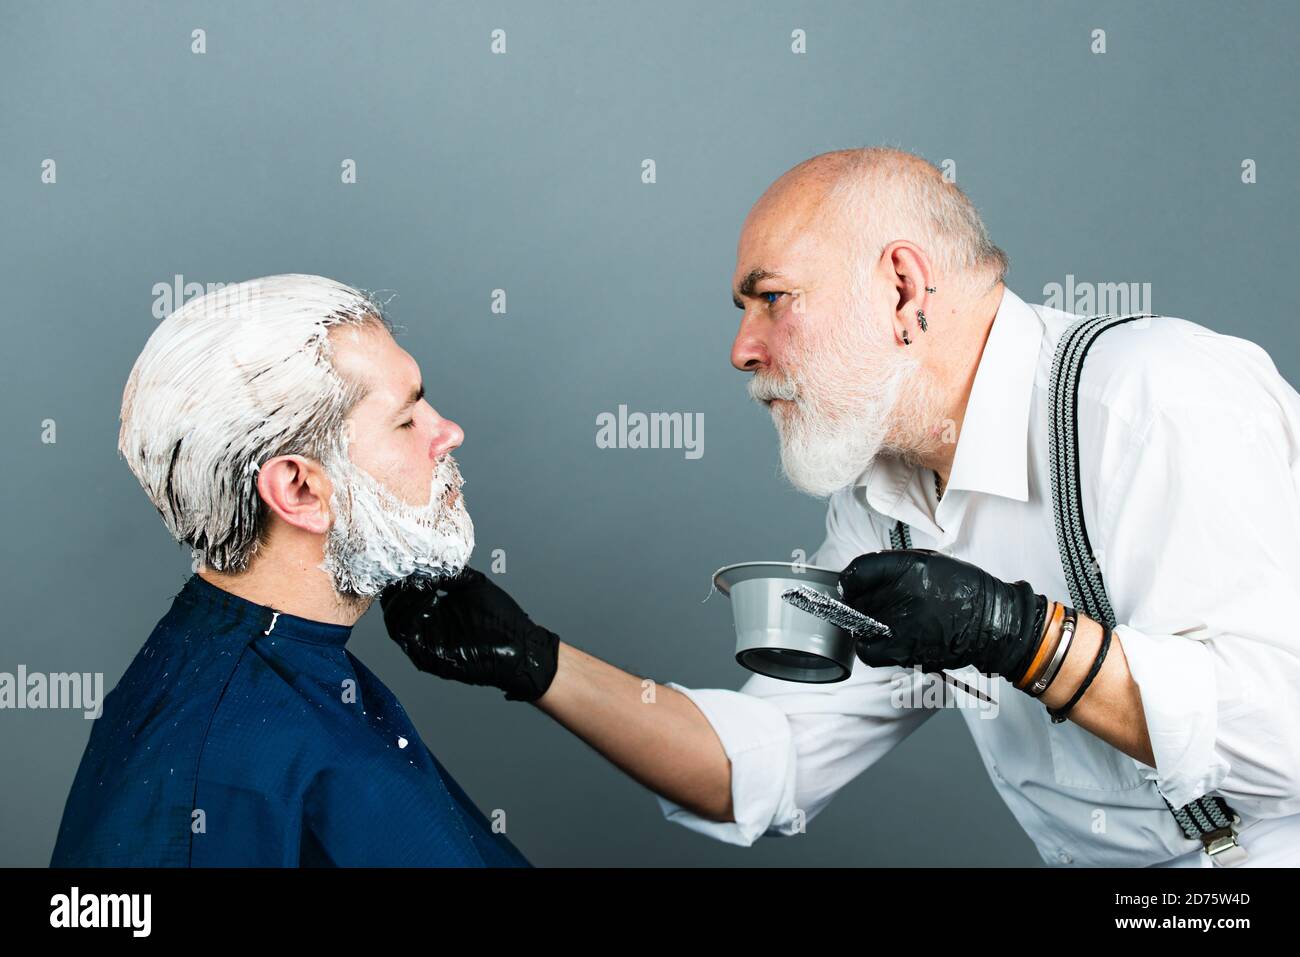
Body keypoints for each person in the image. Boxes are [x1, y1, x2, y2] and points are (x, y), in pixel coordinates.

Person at [379, 147, 1300, 867]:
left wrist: (1022, 636)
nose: (741, 349)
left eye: (770, 300)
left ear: (903, 288)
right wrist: (538, 663)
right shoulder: (887, 503)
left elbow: (1285, 741)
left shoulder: (1153, 401)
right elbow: (764, 762)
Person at [51, 274, 527, 866]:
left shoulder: (295, 665)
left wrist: (539, 663)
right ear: (299, 490)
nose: (447, 432)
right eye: (406, 421)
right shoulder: (220, 766)